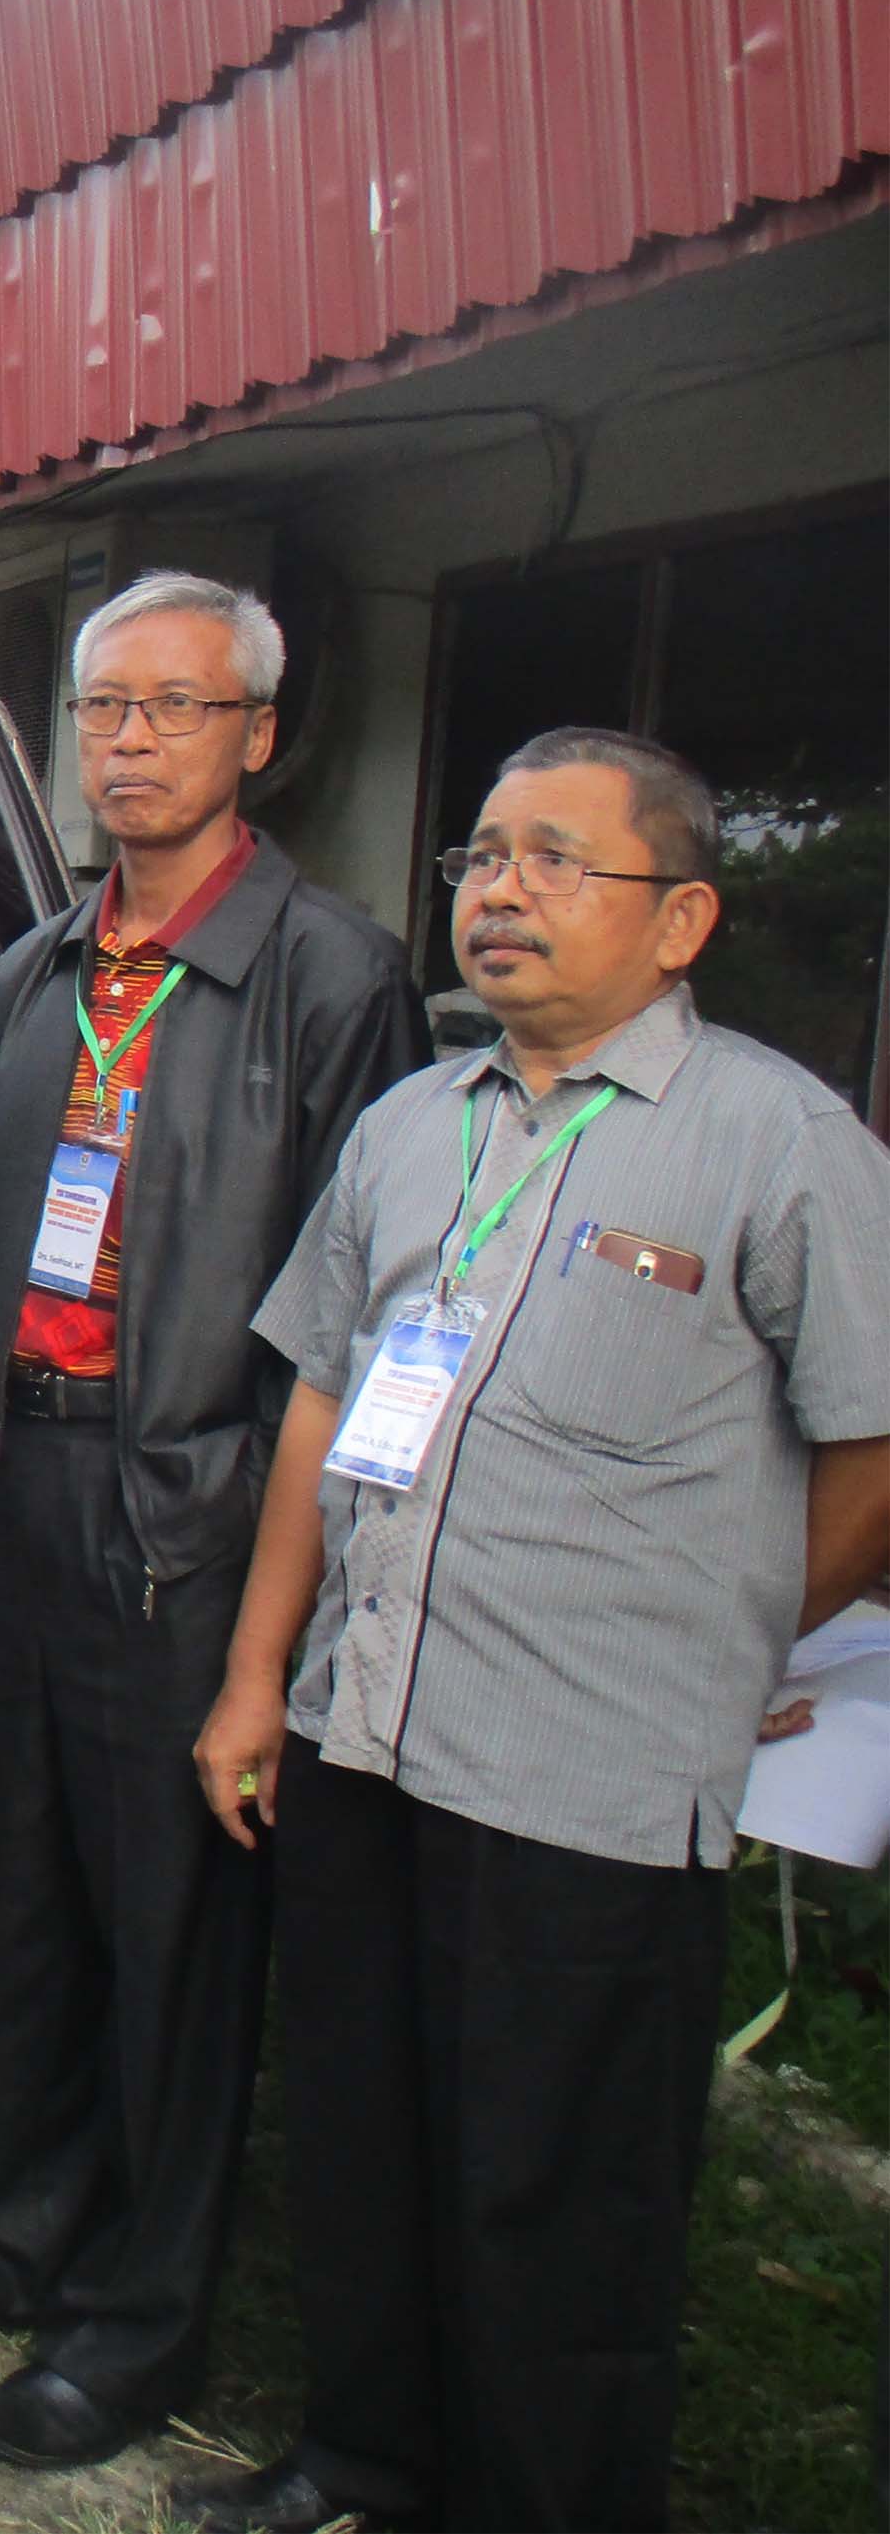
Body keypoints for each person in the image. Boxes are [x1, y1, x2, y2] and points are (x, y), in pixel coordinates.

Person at [179, 729, 890, 2534]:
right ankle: (365, 2457)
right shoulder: (418, 1124)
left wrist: (743, 1641)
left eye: (558, 860)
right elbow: (322, 1409)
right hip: (371, 1732)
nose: (499, 890)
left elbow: (873, 1445)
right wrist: (262, 1676)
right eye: (484, 856)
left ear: (685, 919)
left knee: (559, 2198)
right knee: (363, 2139)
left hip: (590, 1779)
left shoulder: (775, 1140)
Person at [0, 574, 426, 2466]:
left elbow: (372, 1301)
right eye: (105, 708)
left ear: (259, 731)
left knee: (170, 1936)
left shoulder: (332, 976)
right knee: (7, 1897)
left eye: (176, 706)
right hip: (16, 1493)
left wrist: (282, 1568)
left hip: (204, 1514)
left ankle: (135, 2327)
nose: (132, 740)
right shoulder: (37, 967)